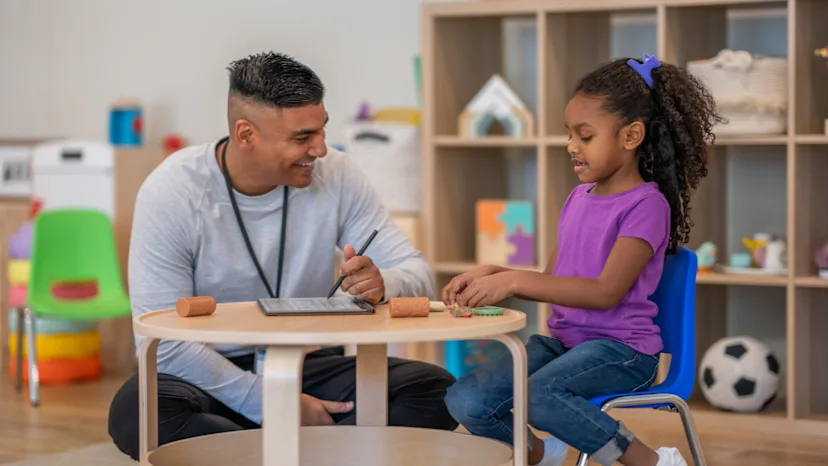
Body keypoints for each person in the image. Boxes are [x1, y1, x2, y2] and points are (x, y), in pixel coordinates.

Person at [107, 51, 458, 460]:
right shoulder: (172, 191)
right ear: (245, 135)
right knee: (138, 415)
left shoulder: (339, 175)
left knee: (439, 392)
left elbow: (417, 272)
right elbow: (160, 340)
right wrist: (270, 404)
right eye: (302, 137)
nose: (321, 149)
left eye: (322, 130)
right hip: (209, 370)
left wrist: (384, 285)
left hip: (308, 362)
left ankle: (267, 447)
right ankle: (312, 444)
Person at [441, 54, 722, 466]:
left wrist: (514, 281)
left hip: (623, 351)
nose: (571, 146)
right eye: (569, 134)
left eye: (585, 136)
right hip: (565, 345)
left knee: (540, 395)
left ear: (631, 136)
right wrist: (494, 273)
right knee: (466, 399)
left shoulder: (647, 206)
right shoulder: (577, 198)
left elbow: (606, 292)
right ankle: (541, 453)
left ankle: (653, 461)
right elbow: (552, 280)